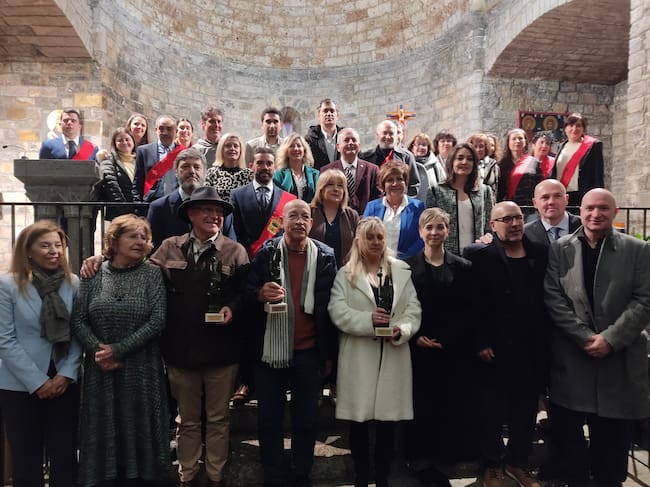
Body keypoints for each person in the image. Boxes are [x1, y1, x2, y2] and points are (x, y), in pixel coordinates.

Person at [544, 188, 650, 486]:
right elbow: (553, 297)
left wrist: (611, 339)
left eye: (603, 208)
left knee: (613, 440)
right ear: (580, 211)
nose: (595, 214)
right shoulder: (560, 248)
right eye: (589, 208)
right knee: (570, 436)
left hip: (619, 357)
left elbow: (644, 300)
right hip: (574, 357)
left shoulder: (637, 250)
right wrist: (584, 337)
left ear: (615, 212)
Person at [150, 187, 249, 487]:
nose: (214, 216)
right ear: (191, 214)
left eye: (218, 212)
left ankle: (215, 476)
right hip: (181, 351)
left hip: (222, 352)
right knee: (187, 420)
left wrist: (232, 307)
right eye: (207, 210)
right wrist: (98, 261)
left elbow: (245, 294)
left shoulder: (236, 251)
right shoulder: (169, 248)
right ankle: (188, 475)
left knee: (218, 419)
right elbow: (143, 277)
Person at [71, 214, 169, 486]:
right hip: (101, 371)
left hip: (141, 368)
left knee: (139, 431)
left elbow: (158, 319)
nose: (140, 242)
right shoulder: (92, 273)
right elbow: (78, 320)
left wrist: (119, 349)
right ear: (114, 240)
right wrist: (98, 350)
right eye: (132, 236)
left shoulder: (152, 274)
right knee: (104, 429)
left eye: (144, 237)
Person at [246, 199, 338, 487]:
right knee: (269, 419)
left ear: (311, 222)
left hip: (309, 351)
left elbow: (331, 307)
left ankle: (301, 473)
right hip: (270, 351)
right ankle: (273, 474)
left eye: (304, 216)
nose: (299, 221)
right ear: (282, 222)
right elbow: (246, 291)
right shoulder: (266, 253)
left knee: (306, 419)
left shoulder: (325, 256)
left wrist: (329, 354)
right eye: (293, 216)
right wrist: (259, 293)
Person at [328, 217, 421, 487]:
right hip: (359, 358)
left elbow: (413, 310)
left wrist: (401, 329)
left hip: (392, 356)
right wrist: (367, 320)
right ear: (359, 240)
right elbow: (337, 310)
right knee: (358, 425)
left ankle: (382, 478)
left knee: (387, 427)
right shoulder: (345, 274)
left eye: (380, 237)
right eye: (370, 237)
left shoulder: (401, 271)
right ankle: (361, 477)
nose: (376, 242)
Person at [463, 202, 549, 487]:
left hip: (531, 348)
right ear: (493, 225)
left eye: (518, 218)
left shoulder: (540, 252)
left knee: (525, 411)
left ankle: (518, 463)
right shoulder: (480, 255)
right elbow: (473, 304)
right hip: (494, 349)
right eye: (507, 219)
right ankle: (492, 464)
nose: (514, 224)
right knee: (492, 412)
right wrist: (480, 341)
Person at [0, 220, 81, 487]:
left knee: (65, 458)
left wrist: (66, 375)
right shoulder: (8, 285)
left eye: (58, 245)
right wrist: (38, 382)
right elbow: (5, 340)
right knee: (26, 461)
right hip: (19, 385)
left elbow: (78, 333)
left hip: (63, 383)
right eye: (45, 245)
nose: (53, 251)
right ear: (28, 250)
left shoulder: (73, 283)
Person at [405, 208, 478, 485]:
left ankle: (446, 453)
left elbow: (468, 309)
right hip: (419, 347)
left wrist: (447, 338)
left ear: (448, 231)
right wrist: (417, 335)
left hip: (451, 348)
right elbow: (403, 307)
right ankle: (420, 457)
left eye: (440, 227)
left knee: (449, 402)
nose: (434, 233)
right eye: (429, 227)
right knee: (421, 403)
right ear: (420, 231)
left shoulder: (463, 267)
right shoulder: (406, 267)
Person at [146, 147, 236, 250]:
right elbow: (153, 251)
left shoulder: (221, 209)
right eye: (185, 167)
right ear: (176, 172)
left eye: (197, 167)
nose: (192, 171)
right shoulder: (159, 208)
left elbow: (231, 249)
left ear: (205, 173)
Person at [427, 143, 493, 255]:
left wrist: (487, 237)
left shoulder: (484, 191)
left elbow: (490, 226)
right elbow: (430, 226)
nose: (464, 162)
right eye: (460, 158)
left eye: (470, 159)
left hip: (477, 253)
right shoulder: (436, 191)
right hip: (446, 255)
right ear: (452, 161)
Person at [230, 147, 297, 258]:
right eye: (260, 163)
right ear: (251, 166)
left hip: (278, 260)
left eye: (269, 163)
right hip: (246, 260)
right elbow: (233, 231)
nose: (265, 167)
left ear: (275, 167)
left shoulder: (289, 199)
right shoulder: (237, 195)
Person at [364, 160, 424, 260]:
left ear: (405, 183)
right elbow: (364, 237)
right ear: (383, 185)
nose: (395, 183)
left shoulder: (418, 207)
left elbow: (422, 239)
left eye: (399, 179)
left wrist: (401, 260)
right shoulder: (372, 207)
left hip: (409, 264)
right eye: (390, 180)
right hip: (376, 263)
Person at [320, 127, 380, 215]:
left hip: (366, 219)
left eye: (354, 140)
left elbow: (378, 198)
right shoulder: (327, 171)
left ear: (359, 146)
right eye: (346, 140)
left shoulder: (372, 170)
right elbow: (323, 199)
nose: (351, 143)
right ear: (338, 147)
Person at [550, 113, 604, 207]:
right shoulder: (561, 146)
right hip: (561, 194)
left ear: (583, 129)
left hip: (582, 194)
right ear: (565, 128)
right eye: (571, 125)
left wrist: (599, 197)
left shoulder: (593, 145)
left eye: (578, 126)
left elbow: (598, 174)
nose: (574, 129)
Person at [309, 168, 360, 268]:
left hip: (344, 272)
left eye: (340, 186)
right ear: (321, 188)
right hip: (314, 271)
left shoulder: (352, 215)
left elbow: (359, 246)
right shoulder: (309, 212)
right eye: (330, 184)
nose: (336, 189)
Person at [360, 120, 421, 197]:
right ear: (377, 135)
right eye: (384, 133)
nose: (388, 137)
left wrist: (402, 200)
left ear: (396, 136)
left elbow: (414, 185)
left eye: (391, 133)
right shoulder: (365, 158)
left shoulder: (406, 157)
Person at [132, 114, 184, 202]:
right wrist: (138, 204)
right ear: (156, 130)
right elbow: (138, 182)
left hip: (177, 203)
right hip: (151, 203)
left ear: (176, 131)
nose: (165, 132)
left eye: (169, 129)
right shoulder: (144, 151)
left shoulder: (184, 152)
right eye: (161, 129)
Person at [94, 127, 140, 220]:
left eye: (127, 139)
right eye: (120, 140)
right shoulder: (108, 162)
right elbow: (112, 188)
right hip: (120, 215)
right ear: (114, 143)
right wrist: (125, 211)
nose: (124, 142)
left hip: (140, 211)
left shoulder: (140, 160)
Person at [524, 179, 581, 247]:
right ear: (535, 203)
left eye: (557, 196)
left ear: (566, 199)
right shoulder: (525, 233)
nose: (551, 202)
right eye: (545, 197)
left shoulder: (583, 225)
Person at [497, 128, 543, 207]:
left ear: (525, 141)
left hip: (528, 206)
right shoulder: (501, 164)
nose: (517, 141)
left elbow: (539, 186)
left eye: (520, 138)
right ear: (508, 142)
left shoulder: (534, 162)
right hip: (507, 206)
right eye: (514, 139)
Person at [205, 133, 254, 201]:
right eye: (228, 146)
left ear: (240, 150)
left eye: (235, 146)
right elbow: (206, 198)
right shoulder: (212, 173)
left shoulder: (249, 174)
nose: (232, 148)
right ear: (221, 149)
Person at [272, 133, 320, 203]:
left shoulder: (315, 174)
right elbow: (276, 199)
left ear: (304, 150)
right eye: (291, 146)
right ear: (286, 151)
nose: (296, 149)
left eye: (299, 146)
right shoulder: (278, 175)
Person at [304, 98, 343, 170]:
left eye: (332, 111)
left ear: (337, 115)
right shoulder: (310, 140)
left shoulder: (346, 137)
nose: (329, 114)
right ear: (319, 115)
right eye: (325, 111)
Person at [467, 132, 499, 197]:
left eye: (481, 146)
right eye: (475, 146)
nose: (478, 149)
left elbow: (496, 187)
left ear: (486, 147)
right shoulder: (466, 164)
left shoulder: (493, 165)